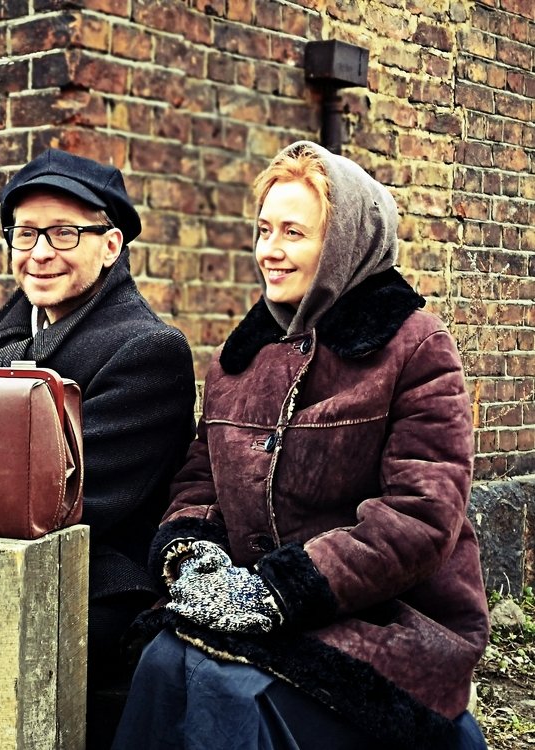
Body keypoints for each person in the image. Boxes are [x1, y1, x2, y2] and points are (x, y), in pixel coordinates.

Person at [111, 141, 490, 750]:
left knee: (228, 689)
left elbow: (421, 515)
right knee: (161, 661)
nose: (270, 250)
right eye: (263, 229)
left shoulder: (414, 346)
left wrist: (284, 588)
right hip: (260, 606)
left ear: (343, 245)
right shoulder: (238, 361)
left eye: (293, 232)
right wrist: (194, 558)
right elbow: (199, 482)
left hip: (386, 620)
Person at [0, 148, 197, 746]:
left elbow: (67, 494)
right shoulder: (6, 344)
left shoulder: (147, 351)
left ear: (111, 245)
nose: (40, 252)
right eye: (25, 233)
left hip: (89, 580)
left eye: (64, 232)